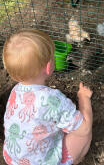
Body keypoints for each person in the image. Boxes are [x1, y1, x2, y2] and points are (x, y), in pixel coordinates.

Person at [2, 28, 93, 165]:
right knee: (85, 134)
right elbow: (84, 128)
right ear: (49, 66)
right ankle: (73, 160)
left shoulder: (15, 91)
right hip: (41, 162)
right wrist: (83, 98)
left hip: (12, 158)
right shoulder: (52, 99)